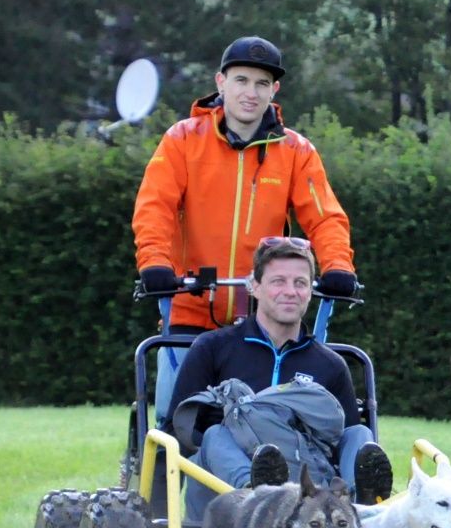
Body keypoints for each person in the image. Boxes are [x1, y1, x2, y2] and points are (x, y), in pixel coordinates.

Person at [132, 35, 358, 416]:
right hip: (191, 307)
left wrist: (338, 267)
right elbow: (155, 207)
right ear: (221, 82)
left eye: (261, 83)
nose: (251, 93)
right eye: (241, 80)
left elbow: (325, 217)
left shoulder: (296, 151)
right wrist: (154, 263)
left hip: (264, 317)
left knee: (276, 416)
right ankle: (162, 451)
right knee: (175, 416)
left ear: (274, 90)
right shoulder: (183, 140)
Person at [167, 235, 393, 515]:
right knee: (214, 435)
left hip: (310, 496)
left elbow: (341, 443)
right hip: (228, 500)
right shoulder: (212, 348)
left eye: (300, 283)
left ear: (310, 291)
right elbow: (175, 434)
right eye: (278, 282)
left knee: (358, 433)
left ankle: (359, 507)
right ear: (255, 286)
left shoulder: (330, 365)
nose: (290, 291)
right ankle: (259, 495)